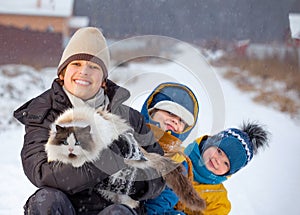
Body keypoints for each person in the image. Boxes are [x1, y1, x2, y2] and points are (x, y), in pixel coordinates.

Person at [13, 27, 165, 215]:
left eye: (93, 66)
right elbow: (42, 173)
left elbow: (158, 176)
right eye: (76, 64)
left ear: (103, 79)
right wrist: (109, 160)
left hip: (113, 208)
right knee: (45, 201)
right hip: (65, 207)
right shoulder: (43, 113)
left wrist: (125, 183)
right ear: (62, 73)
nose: (84, 71)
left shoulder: (129, 118)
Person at [180, 121, 269, 215]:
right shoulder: (175, 155)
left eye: (226, 163)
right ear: (209, 143)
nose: (218, 160)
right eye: (219, 151)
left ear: (229, 172)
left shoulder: (217, 201)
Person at [140, 82, 199, 214]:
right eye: (170, 112)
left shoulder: (178, 161)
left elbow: (160, 205)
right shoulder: (127, 133)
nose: (175, 121)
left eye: (182, 121)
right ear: (151, 111)